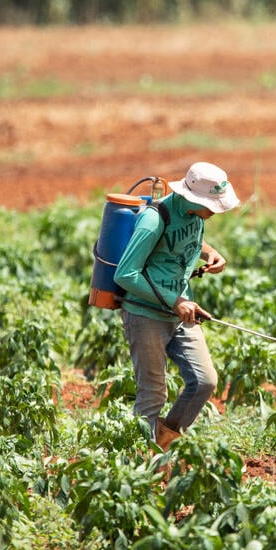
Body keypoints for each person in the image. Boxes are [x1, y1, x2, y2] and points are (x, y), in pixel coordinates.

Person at [113, 162, 240, 450]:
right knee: (153, 395)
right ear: (193, 197)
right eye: (212, 205)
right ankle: (140, 466)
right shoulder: (153, 220)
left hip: (179, 311)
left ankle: (163, 441)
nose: (216, 211)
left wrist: (211, 253)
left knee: (204, 381)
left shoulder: (196, 217)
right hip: (145, 315)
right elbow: (125, 274)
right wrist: (175, 301)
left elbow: (190, 238)